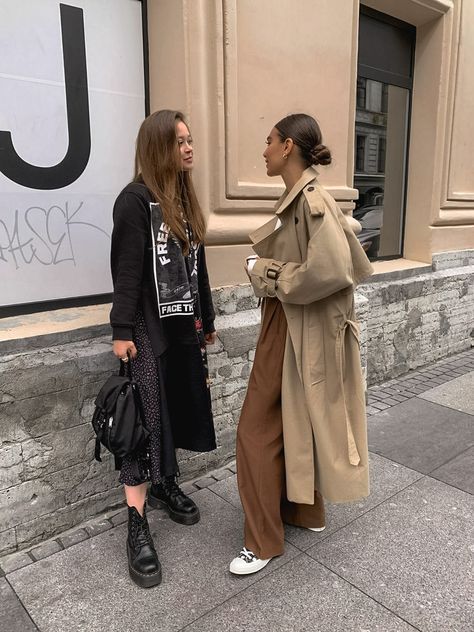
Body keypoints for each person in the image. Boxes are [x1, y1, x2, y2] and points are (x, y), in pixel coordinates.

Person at [229, 113, 373, 575]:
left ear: (288, 146)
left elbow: (332, 271)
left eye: (269, 141)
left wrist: (265, 272)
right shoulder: (302, 197)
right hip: (293, 322)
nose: (264, 149)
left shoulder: (311, 200)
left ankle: (263, 541)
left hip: (290, 323)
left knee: (253, 431)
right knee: (295, 415)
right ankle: (304, 510)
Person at [110, 110, 217, 588]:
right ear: (158, 147)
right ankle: (136, 524)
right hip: (146, 328)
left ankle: (166, 484)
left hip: (183, 325)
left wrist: (208, 320)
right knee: (142, 420)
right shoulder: (134, 200)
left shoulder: (184, 199)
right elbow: (128, 269)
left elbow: (199, 268)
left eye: (190, 140)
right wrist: (120, 331)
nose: (189, 148)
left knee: (175, 408)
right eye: (180, 142)